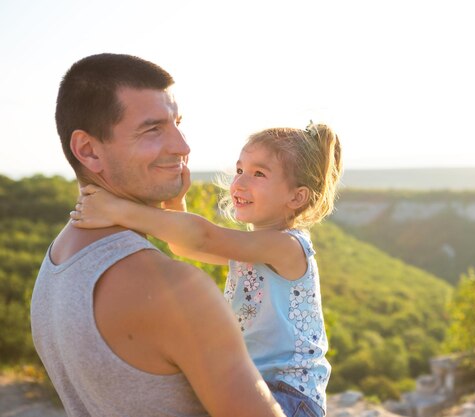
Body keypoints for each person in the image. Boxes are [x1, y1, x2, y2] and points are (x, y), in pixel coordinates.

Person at [30, 53, 286, 417]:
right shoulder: (174, 289)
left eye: (177, 123)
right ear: (88, 150)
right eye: (153, 129)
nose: (182, 146)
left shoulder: (57, 264)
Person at [71, 121, 343, 417]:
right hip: (254, 384)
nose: (240, 183)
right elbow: (187, 247)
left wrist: (116, 209)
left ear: (296, 197)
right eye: (240, 170)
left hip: (290, 396)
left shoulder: (287, 247)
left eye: (259, 174)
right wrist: (176, 203)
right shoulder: (250, 247)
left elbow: (203, 237)